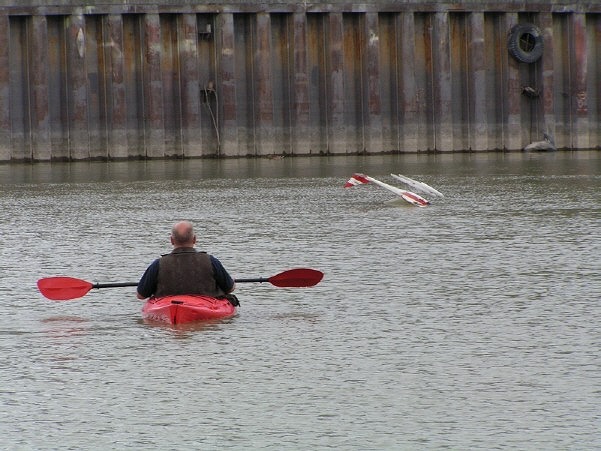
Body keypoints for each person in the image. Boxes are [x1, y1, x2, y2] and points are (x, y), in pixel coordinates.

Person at [137, 221, 236, 303]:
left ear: (172, 240)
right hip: (204, 307)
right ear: (194, 239)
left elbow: (141, 295)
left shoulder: (158, 264)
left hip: (168, 307)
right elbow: (230, 288)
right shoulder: (211, 261)